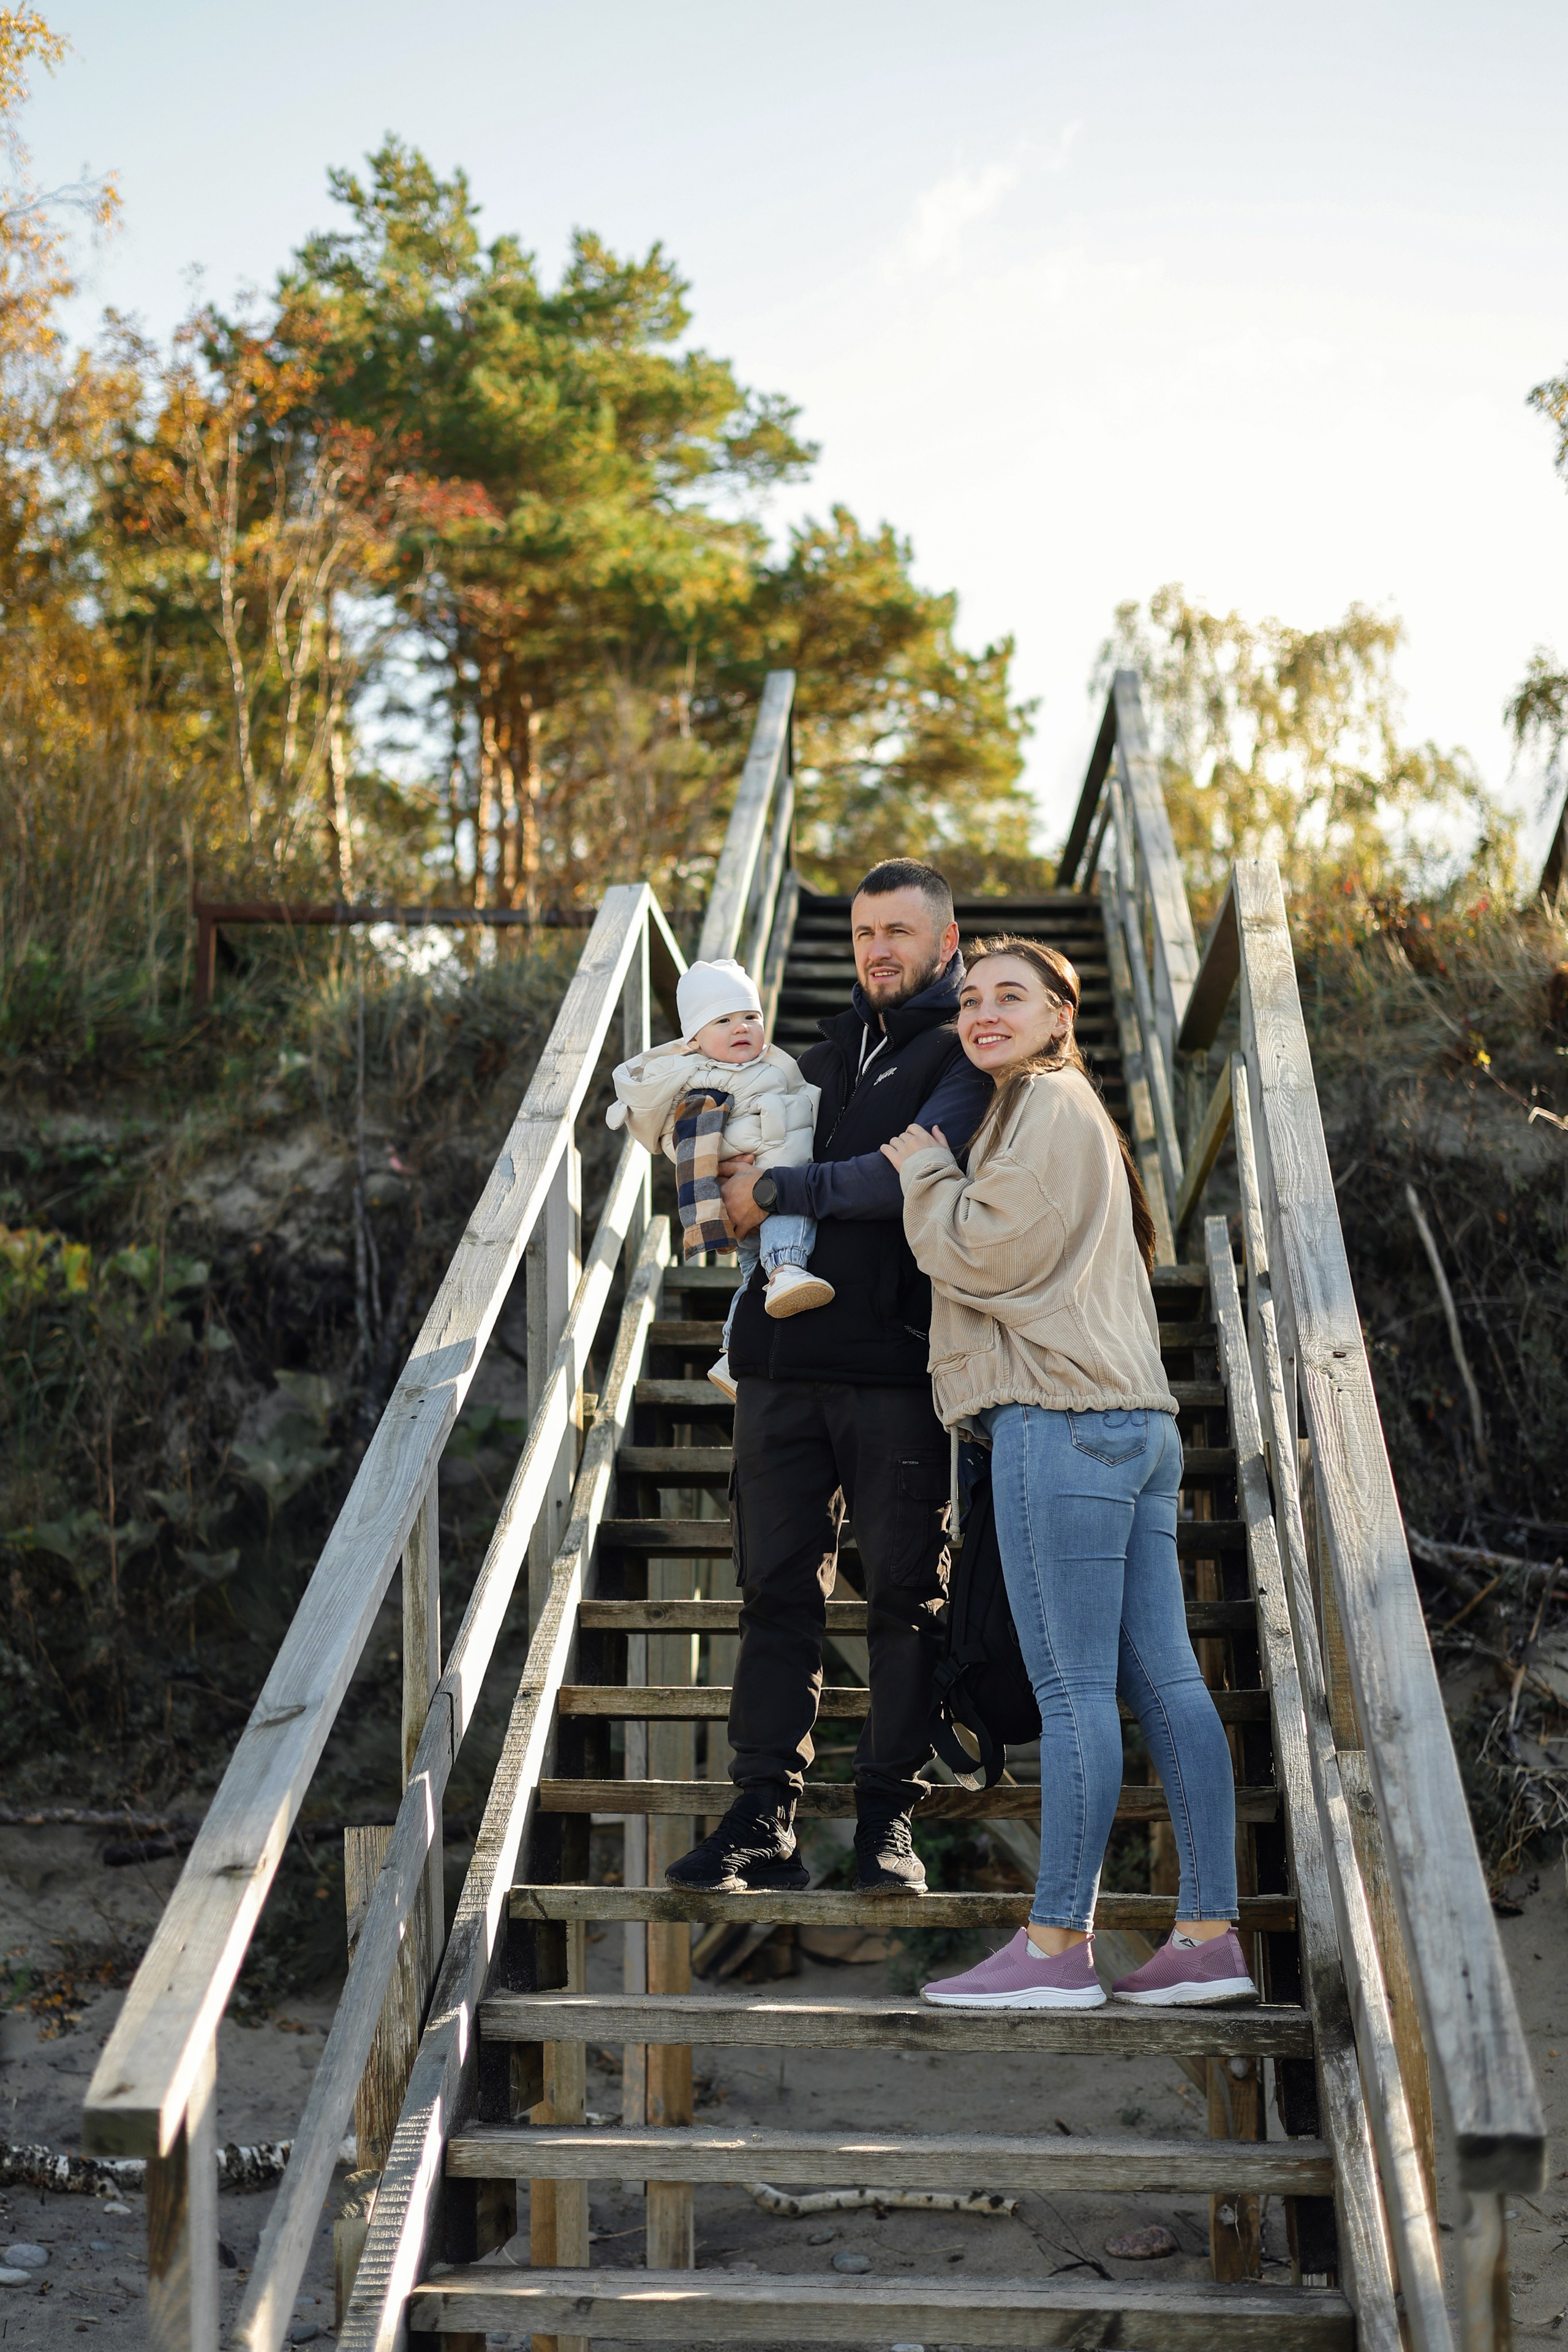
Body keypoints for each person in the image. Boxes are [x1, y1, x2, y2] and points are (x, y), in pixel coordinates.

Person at [882, 935, 1256, 2008]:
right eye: (972, 1000)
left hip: (1062, 1419)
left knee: (1076, 1686)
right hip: (1133, 1425)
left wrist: (926, 1176)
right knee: (1167, 1682)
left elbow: (987, 1252)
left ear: (1060, 1016)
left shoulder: (1044, 1105)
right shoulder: (1064, 1114)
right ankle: (1207, 1937)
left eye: (1013, 996)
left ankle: (1055, 1949)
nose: (985, 1012)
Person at [665, 861, 995, 1896]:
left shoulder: (968, 1053)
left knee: (906, 1598)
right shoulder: (811, 1056)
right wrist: (727, 1179)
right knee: (774, 1595)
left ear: (948, 945)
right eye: (863, 932)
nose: (877, 949)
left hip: (896, 1369)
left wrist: (772, 1185)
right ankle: (764, 1818)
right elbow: (713, 1194)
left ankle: (887, 1825)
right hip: (776, 1367)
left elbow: (897, 1176)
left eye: (899, 931)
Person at [606, 957, 834, 1392]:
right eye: (724, 1020)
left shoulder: (764, 1067)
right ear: (693, 1040)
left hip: (768, 1172)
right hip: (761, 1182)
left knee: (751, 1278)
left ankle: (733, 1353)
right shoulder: (704, 1081)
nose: (741, 1028)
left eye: (751, 1016)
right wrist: (716, 1182)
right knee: (790, 1211)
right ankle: (787, 1268)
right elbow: (688, 1142)